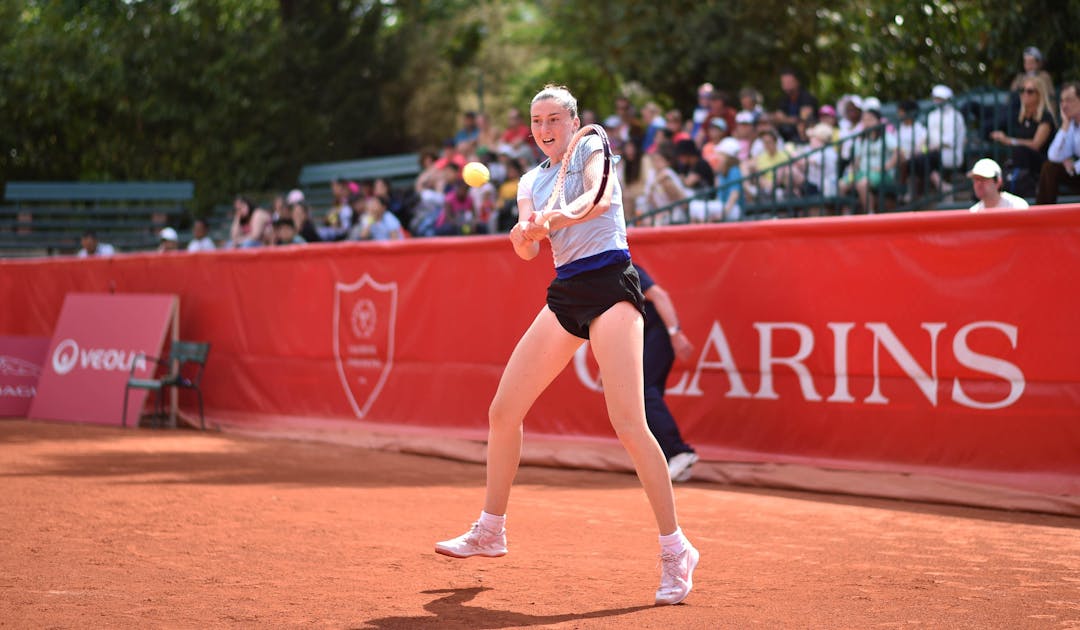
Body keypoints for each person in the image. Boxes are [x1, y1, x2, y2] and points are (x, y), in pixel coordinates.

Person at [435, 84, 699, 607]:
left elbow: (595, 196)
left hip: (611, 282)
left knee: (628, 423)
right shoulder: (531, 179)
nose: (544, 128)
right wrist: (523, 237)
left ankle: (676, 549)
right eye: (536, 121)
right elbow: (531, 249)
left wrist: (553, 219)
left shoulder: (593, 145)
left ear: (573, 121)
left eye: (554, 118)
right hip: (566, 293)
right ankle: (491, 530)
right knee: (503, 410)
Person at [633, 263, 698, 482]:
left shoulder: (620, 264)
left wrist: (675, 333)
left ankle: (679, 451)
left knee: (643, 392)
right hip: (644, 338)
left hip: (659, 335)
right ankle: (672, 457)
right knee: (646, 398)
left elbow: (660, 296)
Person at [991, 77, 1056, 198]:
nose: (1025, 94)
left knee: (1021, 151)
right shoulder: (1022, 118)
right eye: (1022, 90)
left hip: (1043, 165)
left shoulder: (1046, 117)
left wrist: (1009, 140)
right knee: (1015, 155)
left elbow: (1036, 145)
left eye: (1030, 91)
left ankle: (1024, 186)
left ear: (1039, 95)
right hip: (1025, 164)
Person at [1036, 82, 1080, 205]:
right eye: (1062, 101)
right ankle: (1043, 215)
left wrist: (1074, 167)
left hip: (1077, 169)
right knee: (1049, 167)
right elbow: (1053, 156)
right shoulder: (1070, 125)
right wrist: (1065, 126)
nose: (1064, 105)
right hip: (1076, 174)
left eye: (1069, 100)